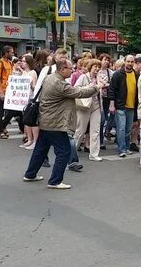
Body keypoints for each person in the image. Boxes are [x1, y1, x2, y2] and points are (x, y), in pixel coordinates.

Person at [23, 59, 100, 189]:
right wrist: (96, 87)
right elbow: (79, 93)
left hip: (46, 120)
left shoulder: (49, 78)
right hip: (55, 122)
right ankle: (55, 181)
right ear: (62, 69)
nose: (73, 70)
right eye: (71, 68)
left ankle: (30, 174)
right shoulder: (59, 83)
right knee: (64, 151)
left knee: (40, 149)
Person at [74, 59, 106, 162]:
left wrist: (104, 86)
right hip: (84, 105)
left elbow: (102, 91)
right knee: (80, 130)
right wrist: (90, 87)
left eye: (98, 66)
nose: (97, 68)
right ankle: (71, 152)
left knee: (95, 131)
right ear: (90, 67)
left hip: (96, 105)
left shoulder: (99, 78)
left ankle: (94, 154)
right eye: (95, 66)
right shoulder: (83, 77)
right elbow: (76, 89)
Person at [109, 54, 138, 157]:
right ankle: (121, 149)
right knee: (121, 128)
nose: (130, 63)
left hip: (132, 106)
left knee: (128, 128)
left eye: (132, 62)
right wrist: (112, 104)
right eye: (128, 61)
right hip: (120, 105)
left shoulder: (136, 74)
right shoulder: (118, 74)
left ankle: (126, 147)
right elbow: (111, 89)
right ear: (124, 62)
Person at [0, 45, 15, 139]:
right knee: (0, 112)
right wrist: (1, 92)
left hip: (9, 91)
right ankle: (0, 131)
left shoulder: (10, 63)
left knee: (11, 111)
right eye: (11, 52)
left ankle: (2, 126)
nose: (13, 54)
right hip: (0, 91)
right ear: (6, 53)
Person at [19, 55, 39, 149]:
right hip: (24, 99)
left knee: (32, 121)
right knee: (26, 120)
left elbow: (35, 87)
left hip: (31, 98)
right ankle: (29, 139)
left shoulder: (32, 73)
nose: (22, 63)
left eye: (24, 61)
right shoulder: (24, 73)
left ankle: (35, 141)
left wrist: (31, 85)